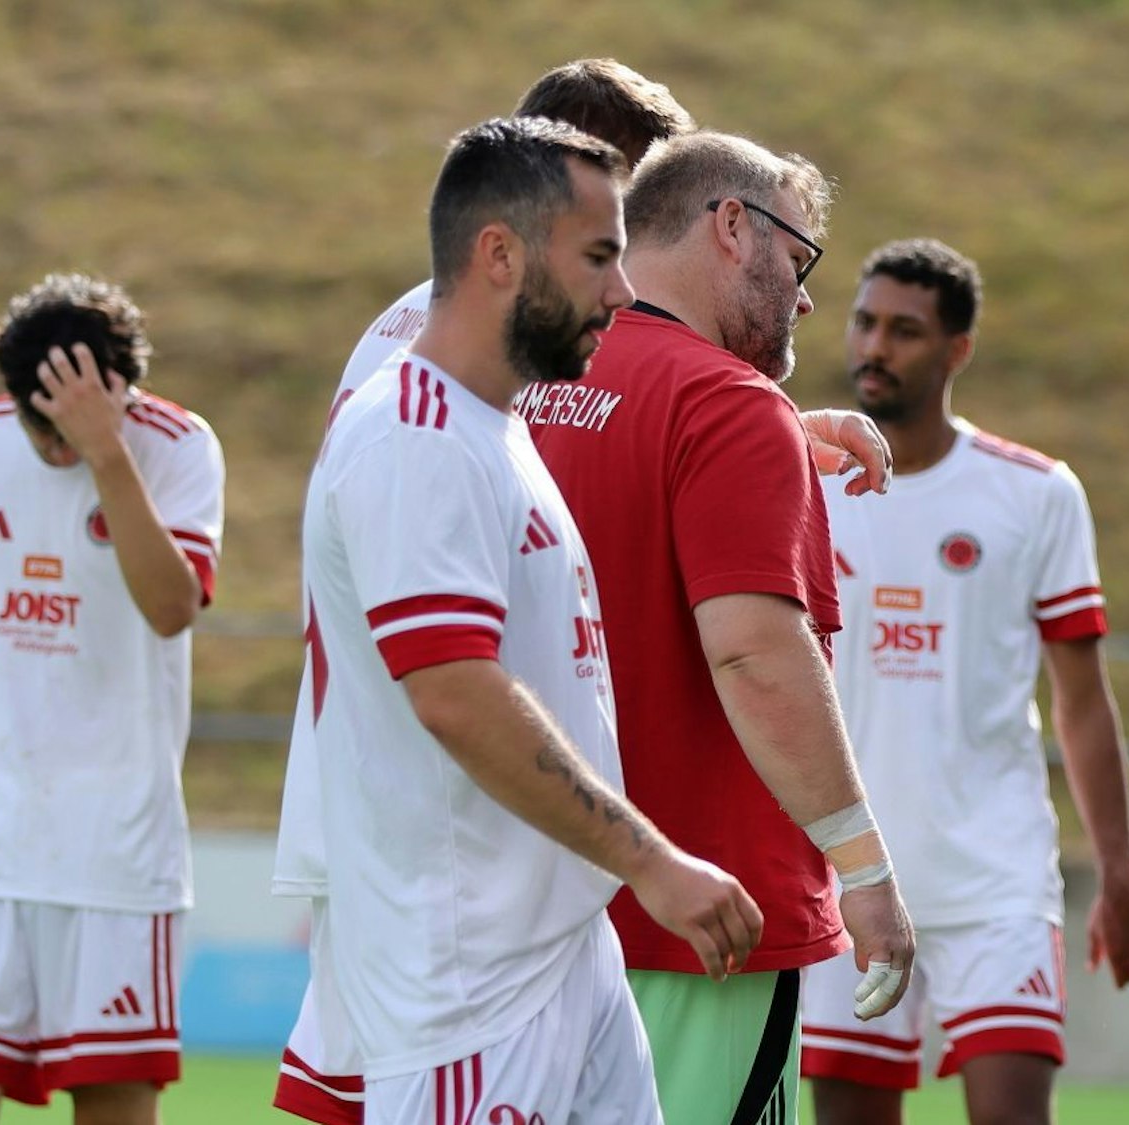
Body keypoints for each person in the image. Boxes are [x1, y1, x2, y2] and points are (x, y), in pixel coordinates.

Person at [270, 60, 889, 1125]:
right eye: (604, 252)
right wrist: (654, 860)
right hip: (474, 956)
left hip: (551, 941)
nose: (623, 288)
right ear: (505, 250)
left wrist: (774, 430)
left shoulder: (495, 420)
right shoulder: (422, 436)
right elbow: (454, 689)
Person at [519, 130, 916, 1125]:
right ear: (731, 228)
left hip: (523, 920)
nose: (807, 293)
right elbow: (755, 654)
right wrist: (864, 872)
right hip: (704, 924)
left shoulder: (520, 385)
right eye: (799, 257)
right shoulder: (728, 406)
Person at [797, 239, 1129, 1124]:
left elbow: (1080, 699)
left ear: (957, 349)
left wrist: (1119, 868)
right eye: (865, 322)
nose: (874, 347)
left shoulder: (1035, 492)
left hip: (994, 879)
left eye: (906, 331)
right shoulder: (803, 481)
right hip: (849, 876)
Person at [0, 274, 225, 1125]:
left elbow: (170, 606)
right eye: (38, 427)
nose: (53, 450)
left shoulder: (180, 445)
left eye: (67, 428)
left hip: (115, 854)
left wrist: (107, 452)